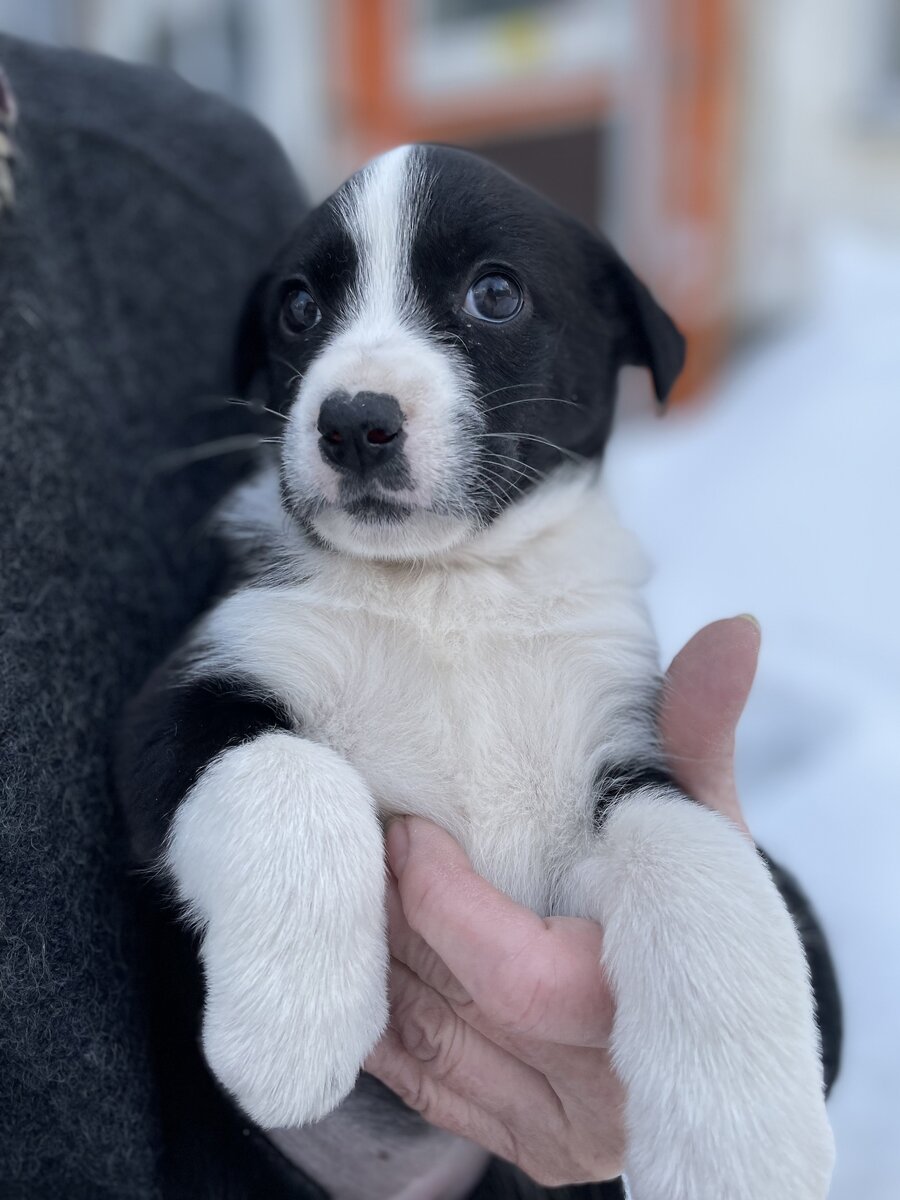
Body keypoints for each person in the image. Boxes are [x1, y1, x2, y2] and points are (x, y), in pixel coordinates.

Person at [0, 33, 839, 1200]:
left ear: (616, 338)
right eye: (307, 311)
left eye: (490, 294)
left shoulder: (182, 170)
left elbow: (634, 836)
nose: (355, 394)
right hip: (224, 1167)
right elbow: (172, 746)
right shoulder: (287, 587)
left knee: (651, 837)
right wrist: (289, 838)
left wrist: (752, 1016)